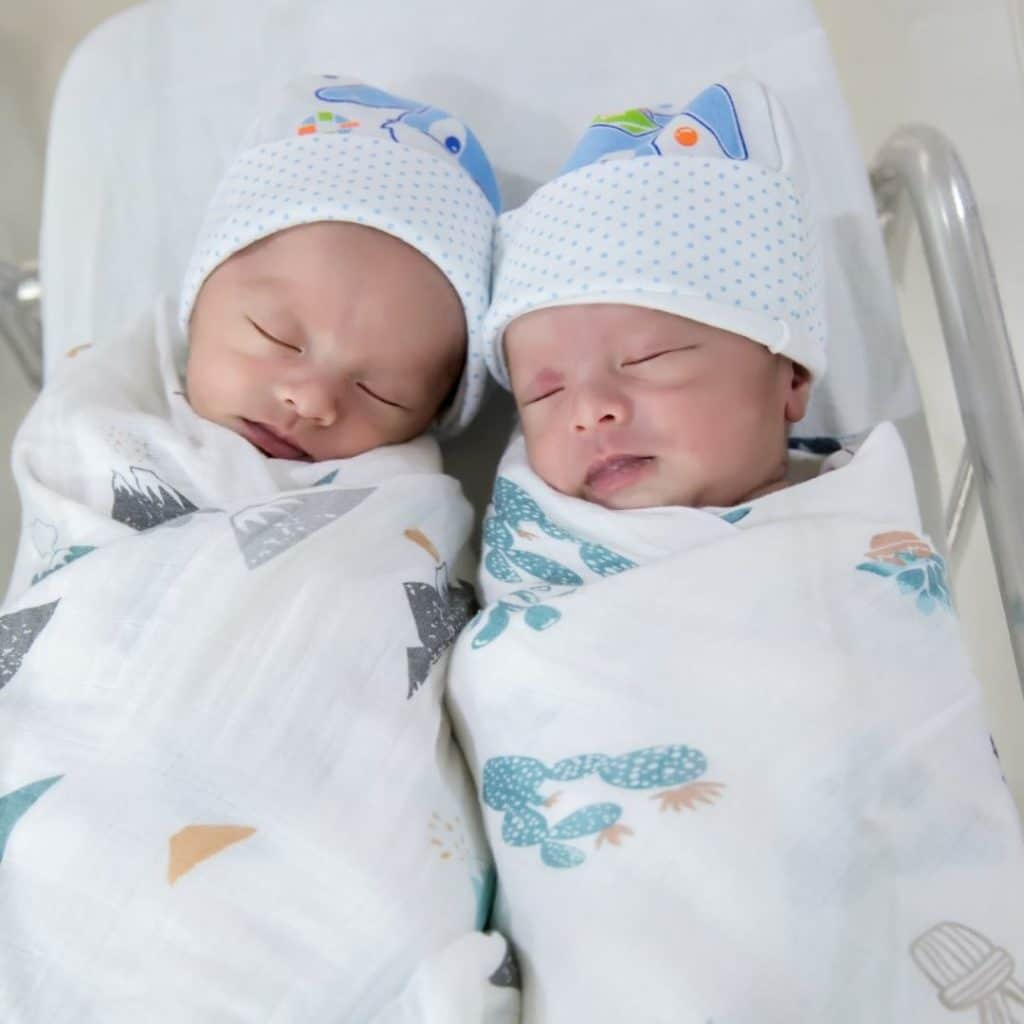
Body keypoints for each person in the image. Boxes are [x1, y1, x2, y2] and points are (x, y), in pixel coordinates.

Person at [447, 79, 1024, 1022]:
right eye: (544, 392)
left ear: (789, 376)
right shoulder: (538, 561)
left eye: (648, 360)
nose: (590, 406)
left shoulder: (847, 540)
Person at [0, 75, 517, 1021]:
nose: (314, 401)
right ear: (199, 301)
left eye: (385, 395)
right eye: (276, 335)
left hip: (310, 863)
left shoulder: (405, 512)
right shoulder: (98, 433)